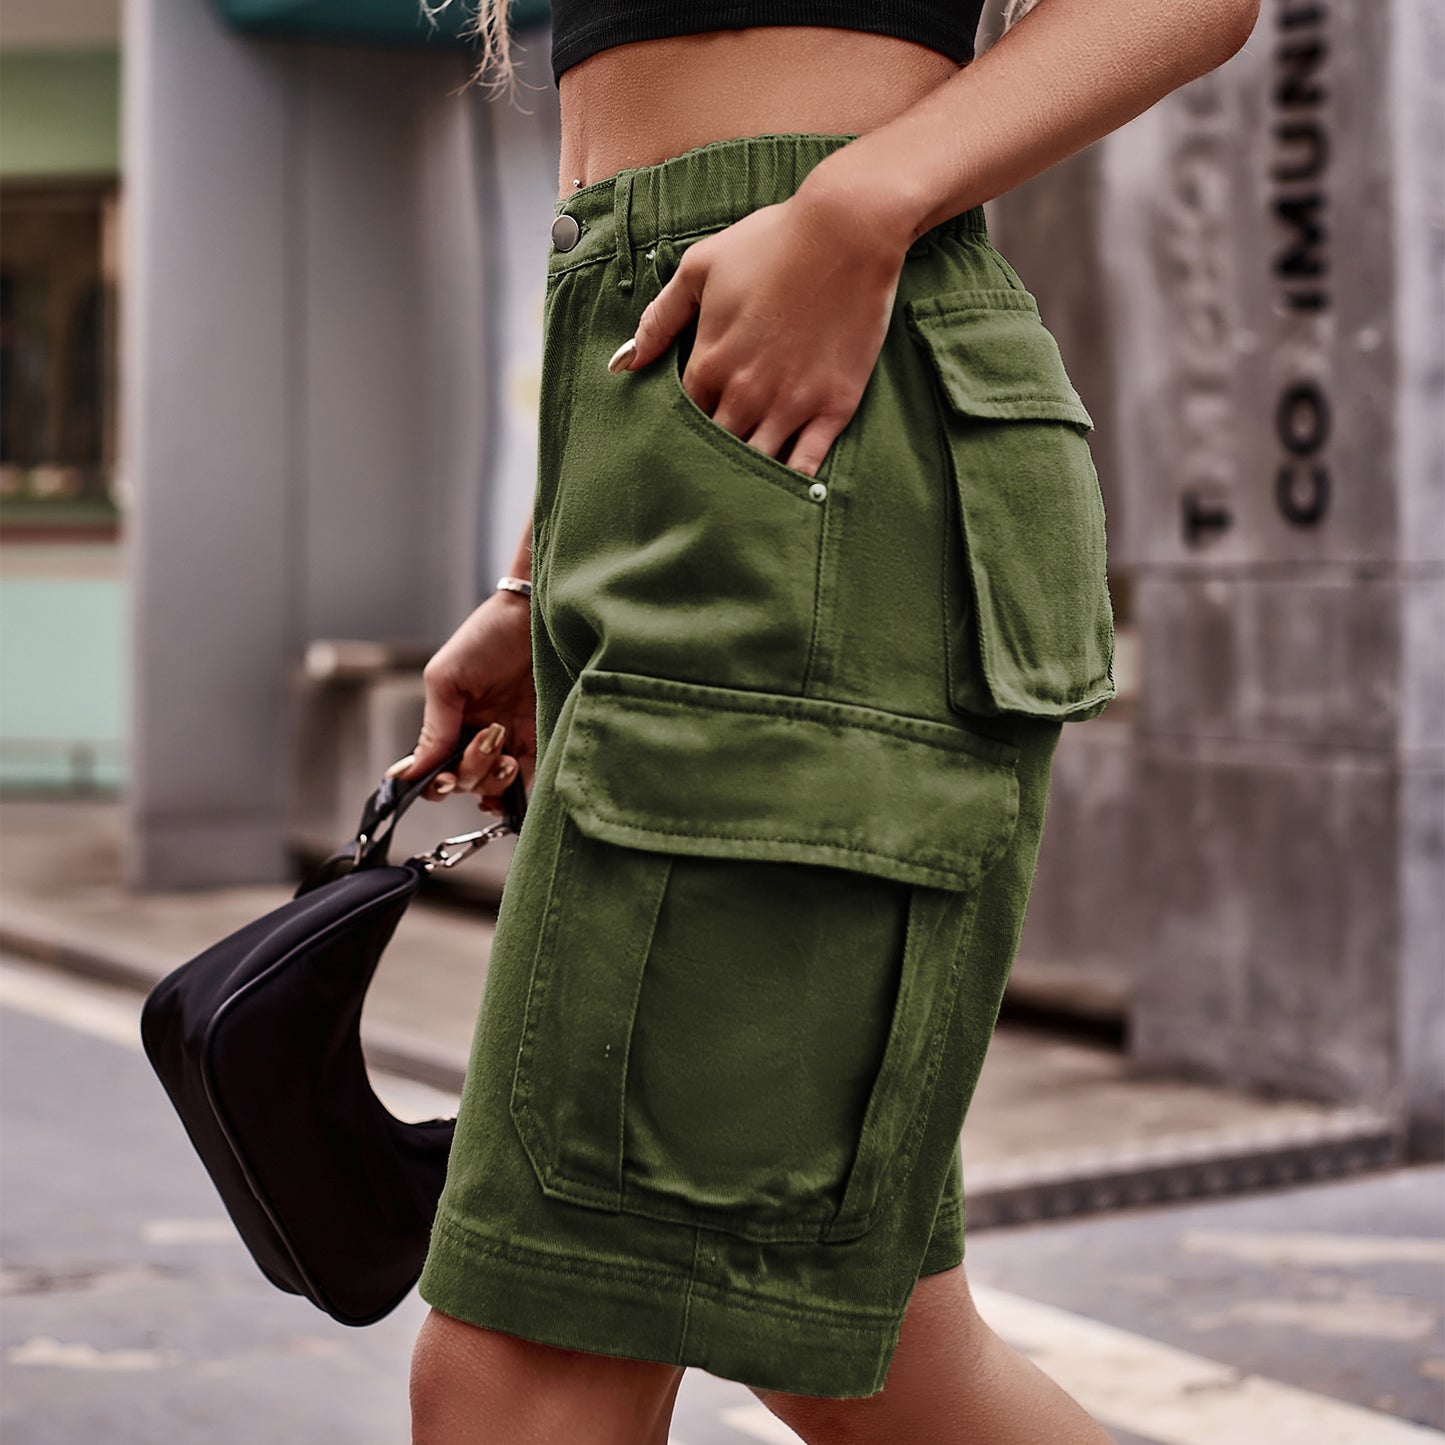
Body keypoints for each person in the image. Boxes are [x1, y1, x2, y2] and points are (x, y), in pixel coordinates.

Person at [396, 0, 1260, 1439]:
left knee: (526, 1361)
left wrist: (856, 202)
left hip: (809, 456)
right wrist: (538, 578)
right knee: (840, 1341)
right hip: (693, 451)